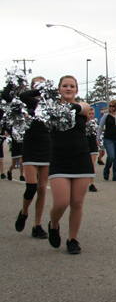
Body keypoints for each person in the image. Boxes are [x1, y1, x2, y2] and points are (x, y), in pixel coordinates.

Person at [47, 76, 93, 254]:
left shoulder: (83, 106)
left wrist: (64, 107)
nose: (68, 88)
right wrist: (43, 90)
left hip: (80, 158)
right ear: (58, 89)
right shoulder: (50, 109)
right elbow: (27, 97)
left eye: (72, 86)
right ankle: (54, 224)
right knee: (61, 203)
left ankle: (72, 239)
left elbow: (81, 108)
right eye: (64, 86)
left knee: (77, 202)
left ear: (76, 89)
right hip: (59, 159)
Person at [4, 76, 50, 238]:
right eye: (37, 85)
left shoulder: (48, 105)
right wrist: (13, 80)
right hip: (30, 146)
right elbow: (11, 95)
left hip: (46, 146)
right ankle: (24, 212)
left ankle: (37, 225)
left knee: (42, 188)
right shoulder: (26, 102)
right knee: (31, 186)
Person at [98, 100, 116, 181]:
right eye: (110, 106)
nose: (111, 108)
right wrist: (98, 138)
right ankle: (106, 170)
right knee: (111, 156)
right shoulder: (106, 116)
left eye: (113, 106)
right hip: (108, 138)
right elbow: (100, 127)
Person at [86, 108, 99, 193]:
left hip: (93, 144)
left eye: (92, 114)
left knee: (92, 163)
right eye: (89, 113)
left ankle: (91, 183)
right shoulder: (82, 123)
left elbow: (98, 132)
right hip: (84, 144)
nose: (91, 115)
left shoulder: (94, 123)